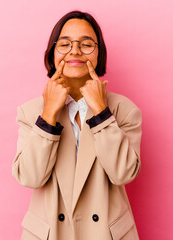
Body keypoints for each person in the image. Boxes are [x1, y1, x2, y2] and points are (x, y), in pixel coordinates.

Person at [12, 10, 142, 240]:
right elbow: (30, 177)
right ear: (52, 53)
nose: (75, 51)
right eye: (64, 43)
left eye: (86, 44)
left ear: (98, 53)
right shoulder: (30, 111)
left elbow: (123, 173)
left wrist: (101, 113)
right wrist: (48, 114)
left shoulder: (124, 110)